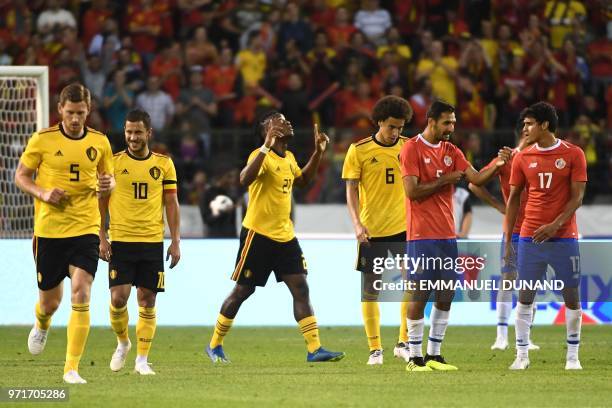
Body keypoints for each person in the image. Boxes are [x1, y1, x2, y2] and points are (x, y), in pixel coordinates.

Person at [205, 111, 345, 363]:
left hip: (285, 236)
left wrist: (318, 153)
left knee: (301, 288)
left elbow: (302, 181)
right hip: (258, 235)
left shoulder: (289, 157)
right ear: (268, 129)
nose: (287, 121)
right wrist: (265, 146)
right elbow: (244, 179)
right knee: (242, 292)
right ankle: (214, 345)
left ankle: (314, 349)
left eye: (286, 118)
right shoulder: (261, 156)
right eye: (280, 120)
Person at [399, 100, 511, 372]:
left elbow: (476, 178)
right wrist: (445, 180)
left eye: (453, 123)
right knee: (420, 293)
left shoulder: (452, 150)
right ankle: (414, 358)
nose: (451, 128)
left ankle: (434, 355)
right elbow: (412, 192)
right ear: (432, 121)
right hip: (421, 235)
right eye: (446, 123)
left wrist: (498, 164)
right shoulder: (411, 148)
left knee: (446, 293)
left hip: (447, 235)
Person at [15, 83, 115, 384]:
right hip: (49, 231)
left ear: (88, 111)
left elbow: (107, 181)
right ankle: (42, 324)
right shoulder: (43, 140)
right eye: (70, 113)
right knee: (50, 303)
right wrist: (42, 192)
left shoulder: (100, 142)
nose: (75, 119)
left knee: (82, 291)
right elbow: (20, 176)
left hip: (84, 228)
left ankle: (71, 368)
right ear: (60, 109)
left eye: (80, 113)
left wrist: (109, 188)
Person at [504, 102, 587, 370]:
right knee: (525, 295)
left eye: (529, 124)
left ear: (545, 125)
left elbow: (577, 198)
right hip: (529, 236)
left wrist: (555, 225)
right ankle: (522, 355)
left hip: (563, 237)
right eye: (524, 124)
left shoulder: (574, 154)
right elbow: (513, 200)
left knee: (571, 297)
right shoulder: (522, 157)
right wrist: (509, 240)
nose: (524, 129)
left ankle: (572, 357)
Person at [98, 109, 180, 375]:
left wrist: (176, 241)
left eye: (137, 132)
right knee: (118, 298)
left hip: (151, 242)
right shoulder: (112, 163)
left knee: (147, 300)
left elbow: (171, 203)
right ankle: (123, 343)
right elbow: (100, 201)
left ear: (149, 133)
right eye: (129, 132)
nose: (132, 137)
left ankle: (142, 361)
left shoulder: (164, 164)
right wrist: (101, 235)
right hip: (120, 241)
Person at [342, 95, 413, 365]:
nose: (396, 131)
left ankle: (403, 342)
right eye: (392, 126)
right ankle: (375, 349)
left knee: (415, 284)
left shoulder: (409, 147)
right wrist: (357, 224)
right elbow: (350, 190)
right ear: (380, 121)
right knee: (371, 290)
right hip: (372, 231)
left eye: (401, 127)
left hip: (405, 228)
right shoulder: (358, 150)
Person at [469, 111, 540, 351]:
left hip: (537, 229)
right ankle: (501, 336)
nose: (529, 131)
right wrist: (500, 206)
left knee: (531, 283)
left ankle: (526, 337)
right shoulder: (508, 157)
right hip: (515, 229)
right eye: (526, 127)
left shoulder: (544, 157)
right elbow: (474, 183)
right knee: (508, 279)